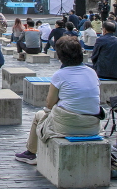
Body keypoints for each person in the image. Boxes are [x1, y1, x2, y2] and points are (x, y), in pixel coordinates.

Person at [15, 36, 102, 165]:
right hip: (92, 125)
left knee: (39, 115)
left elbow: (49, 104)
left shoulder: (59, 75)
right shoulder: (92, 72)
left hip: (68, 125)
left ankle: (31, 153)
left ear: (60, 57)